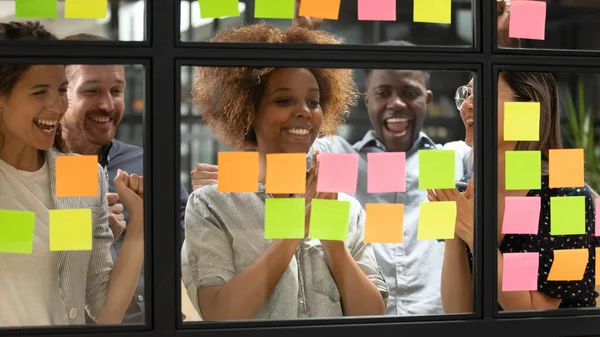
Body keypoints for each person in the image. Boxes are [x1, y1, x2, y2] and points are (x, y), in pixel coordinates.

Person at [181, 22, 388, 321]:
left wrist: (333, 242)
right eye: (284, 100)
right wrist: (294, 230)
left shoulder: (344, 208)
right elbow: (220, 314)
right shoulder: (212, 206)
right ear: (248, 111)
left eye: (314, 101)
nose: (304, 111)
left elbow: (372, 315)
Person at [0, 21, 144, 326]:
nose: (57, 105)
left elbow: (102, 308)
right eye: (40, 92)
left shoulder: (79, 176)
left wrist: (139, 228)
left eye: (62, 90)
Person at [434, 71, 598, 312]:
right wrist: (456, 232)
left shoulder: (567, 197)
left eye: (481, 94)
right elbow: (458, 311)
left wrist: (474, 234)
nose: (467, 105)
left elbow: (535, 314)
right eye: (467, 93)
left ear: (528, 107)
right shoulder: (466, 191)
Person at [59, 33, 190, 324]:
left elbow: (188, 241)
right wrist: (91, 229)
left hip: (158, 322)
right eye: (91, 91)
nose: (107, 105)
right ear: (60, 93)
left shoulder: (148, 162)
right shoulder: (38, 168)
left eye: (116, 91)